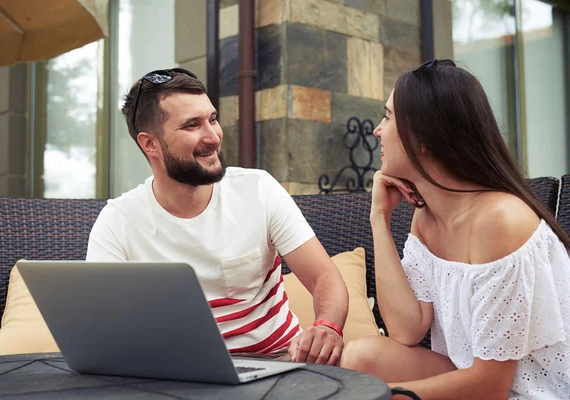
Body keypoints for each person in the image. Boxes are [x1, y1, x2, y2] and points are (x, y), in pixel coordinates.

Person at [339, 59, 570, 399]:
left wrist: (384, 397)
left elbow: (491, 386)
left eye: (388, 117)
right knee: (362, 356)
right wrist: (379, 219)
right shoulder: (427, 218)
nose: (377, 130)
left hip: (526, 391)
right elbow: (405, 330)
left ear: (424, 138)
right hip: (473, 377)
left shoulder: (501, 222)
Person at [86, 68, 348, 365]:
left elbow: (324, 276)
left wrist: (327, 326)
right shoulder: (118, 221)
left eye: (212, 119)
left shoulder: (258, 189)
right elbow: (103, 326)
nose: (213, 136)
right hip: (178, 375)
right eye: (191, 126)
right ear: (150, 144)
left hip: (278, 363)